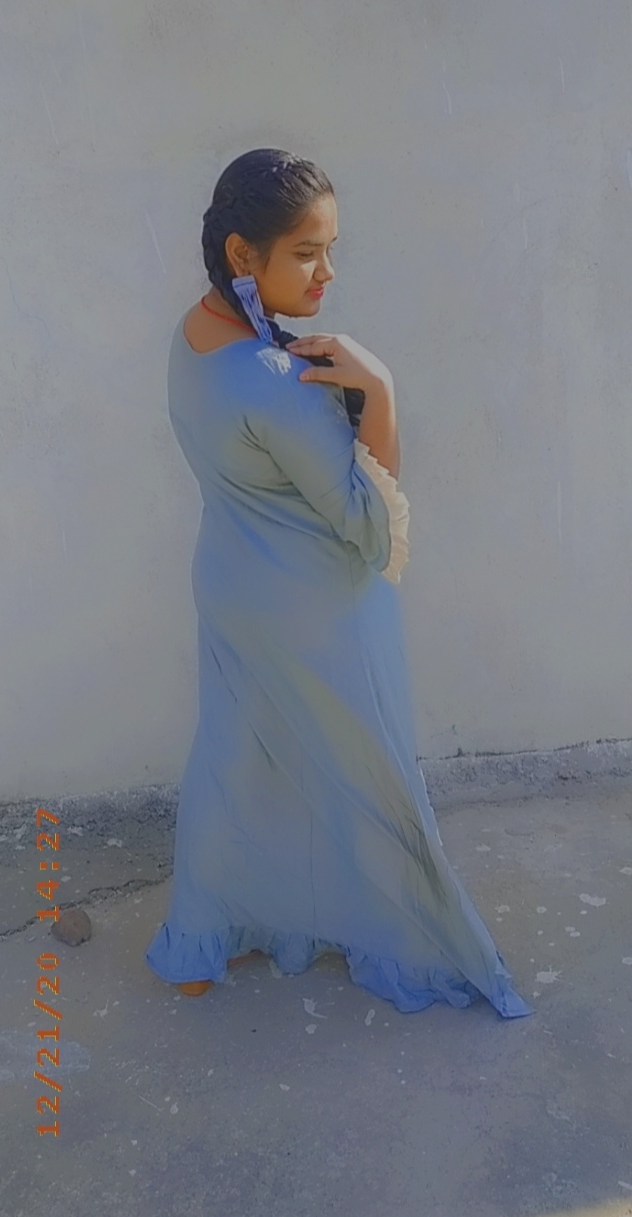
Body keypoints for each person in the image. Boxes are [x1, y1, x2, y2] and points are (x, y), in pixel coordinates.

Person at [144, 148, 533, 1019]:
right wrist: (381, 392)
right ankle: (423, 941)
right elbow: (369, 528)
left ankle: (199, 943)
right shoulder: (275, 381)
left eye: (331, 249)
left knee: (235, 763)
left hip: (232, 582)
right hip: (317, 606)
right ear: (243, 254)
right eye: (306, 253)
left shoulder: (194, 334)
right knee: (372, 775)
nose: (328, 273)